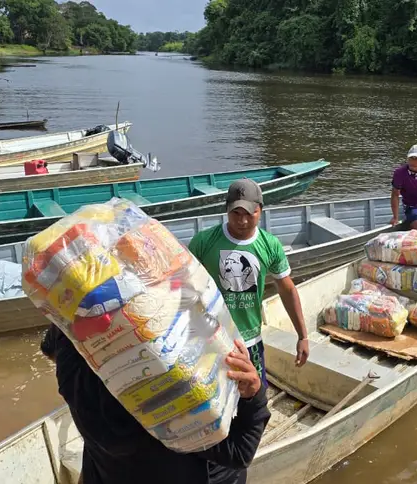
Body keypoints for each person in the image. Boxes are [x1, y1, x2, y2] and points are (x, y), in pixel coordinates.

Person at [40, 323, 271, 484]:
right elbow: (240, 451)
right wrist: (254, 396)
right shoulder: (167, 392)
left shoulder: (66, 338)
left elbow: (48, 349)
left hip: (107, 472)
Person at [188, 179, 310, 384]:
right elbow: (184, 287)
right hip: (211, 339)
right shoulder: (203, 241)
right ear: (227, 210)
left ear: (260, 210)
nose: (242, 220)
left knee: (254, 401)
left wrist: (303, 336)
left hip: (250, 341)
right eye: (236, 213)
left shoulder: (270, 245)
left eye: (249, 213)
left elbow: (287, 289)